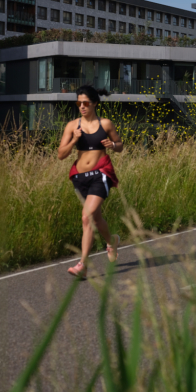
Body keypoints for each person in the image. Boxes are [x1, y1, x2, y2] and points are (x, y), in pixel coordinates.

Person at [58, 85, 123, 278]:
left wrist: (112, 145)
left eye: (86, 103)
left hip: (100, 173)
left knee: (86, 217)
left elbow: (119, 146)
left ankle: (82, 265)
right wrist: (73, 140)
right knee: (95, 218)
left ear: (95, 103)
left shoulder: (106, 124)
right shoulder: (72, 126)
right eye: (79, 103)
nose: (82, 106)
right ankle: (111, 241)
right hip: (79, 177)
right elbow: (61, 154)